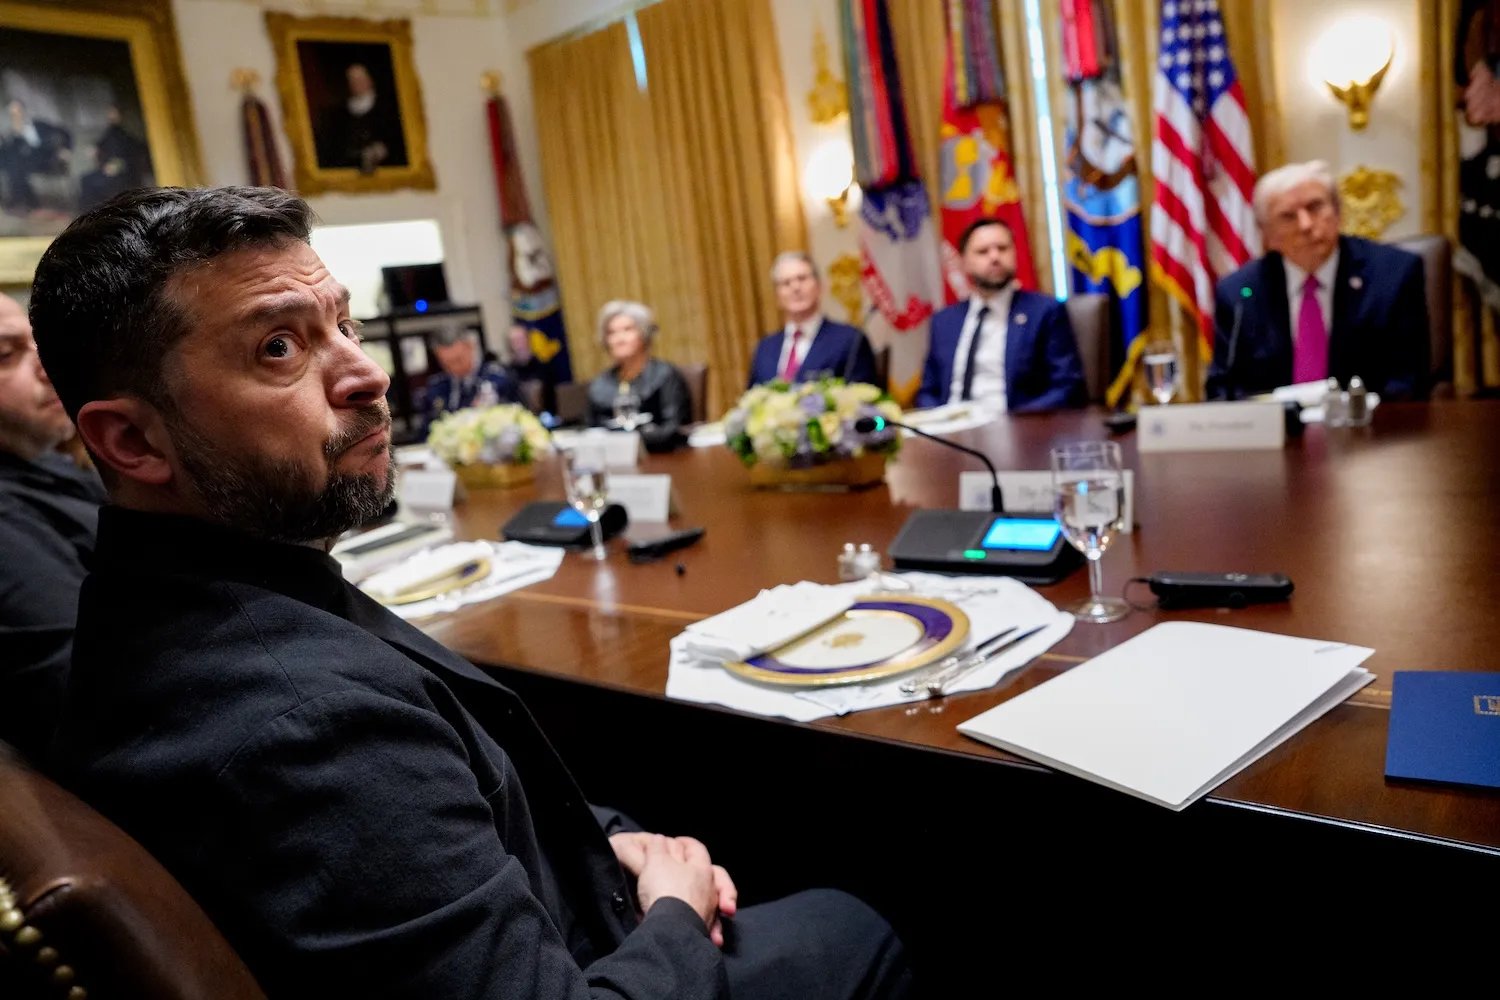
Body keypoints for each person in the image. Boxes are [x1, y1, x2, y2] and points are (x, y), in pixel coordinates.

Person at [32, 186, 911, 1000]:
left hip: (558, 899)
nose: (366, 374)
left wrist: (596, 847)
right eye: (279, 347)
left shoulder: (157, 601)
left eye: (346, 324)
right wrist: (675, 910)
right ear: (134, 441)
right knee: (860, 921)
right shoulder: (300, 729)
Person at [1205, 160, 1429, 401]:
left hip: (1368, 430)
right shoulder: (1239, 293)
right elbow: (1223, 390)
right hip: (1281, 433)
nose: (1306, 225)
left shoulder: (1394, 275)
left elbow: (1409, 381)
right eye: (1288, 216)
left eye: (1315, 207)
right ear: (1267, 235)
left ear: (1338, 213)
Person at [0, 292, 106, 762]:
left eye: (37, 344)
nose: (48, 367)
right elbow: (91, 693)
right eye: (7, 355)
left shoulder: (44, 462)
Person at [915, 218, 1087, 411]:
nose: (995, 257)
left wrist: (1012, 421)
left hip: (1015, 427)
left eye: (1003, 248)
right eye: (983, 251)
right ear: (964, 262)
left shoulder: (1044, 311)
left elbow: (1068, 387)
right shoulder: (944, 321)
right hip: (950, 428)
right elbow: (928, 391)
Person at [747, 252, 878, 388]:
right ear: (777, 296)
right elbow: (750, 402)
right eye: (786, 283)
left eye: (802, 279)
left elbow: (865, 401)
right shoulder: (765, 349)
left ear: (819, 286)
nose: (795, 287)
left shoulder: (850, 340)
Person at [585, 300, 693, 452]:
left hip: (664, 458)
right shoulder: (599, 384)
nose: (619, 339)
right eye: (611, 333)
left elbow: (674, 428)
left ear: (643, 333)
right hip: (614, 462)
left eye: (627, 330)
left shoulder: (665, 375)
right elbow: (591, 432)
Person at [422, 324, 521, 429]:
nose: (453, 368)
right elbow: (427, 429)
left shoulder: (498, 377)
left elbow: (517, 417)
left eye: (458, 360)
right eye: (446, 364)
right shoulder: (436, 387)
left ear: (470, 346)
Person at [316, 63, 407, 173]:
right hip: (350, 169)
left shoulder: (387, 107)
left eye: (360, 79)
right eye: (352, 80)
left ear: (370, 80)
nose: (356, 84)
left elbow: (397, 141)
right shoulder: (339, 113)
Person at [0, 98, 73, 213]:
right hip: (25, 164)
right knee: (14, 163)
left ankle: (22, 202)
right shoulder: (10, 133)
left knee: (16, 166)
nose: (15, 116)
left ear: (23, 112)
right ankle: (28, 203)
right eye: (12, 114)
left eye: (17, 112)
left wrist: (66, 149)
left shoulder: (39, 125)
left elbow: (65, 131)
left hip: (46, 160)